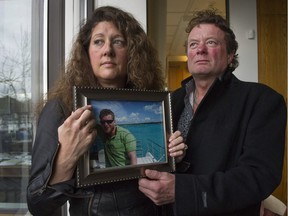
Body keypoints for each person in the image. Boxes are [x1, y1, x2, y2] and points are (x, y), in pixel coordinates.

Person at [26, 6, 186, 216]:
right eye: (98, 41)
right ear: (87, 52)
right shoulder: (61, 109)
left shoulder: (153, 103)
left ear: (132, 51)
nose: (107, 50)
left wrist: (171, 157)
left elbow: (158, 177)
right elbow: (37, 203)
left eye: (118, 41)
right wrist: (66, 157)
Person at [138, 9, 287, 215]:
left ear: (230, 55)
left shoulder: (262, 101)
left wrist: (182, 191)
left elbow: (259, 176)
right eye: (193, 44)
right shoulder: (169, 102)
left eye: (211, 42)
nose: (200, 49)